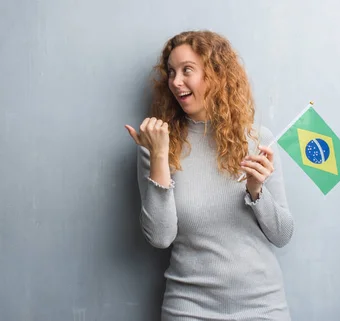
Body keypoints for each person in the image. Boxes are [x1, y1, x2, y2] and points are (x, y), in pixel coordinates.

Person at [124, 30, 295, 321]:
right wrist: (160, 157)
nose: (176, 81)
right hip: (188, 309)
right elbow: (161, 237)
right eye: (171, 72)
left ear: (215, 74)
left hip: (263, 308)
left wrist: (257, 191)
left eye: (187, 70)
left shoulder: (258, 140)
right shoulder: (157, 145)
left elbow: (282, 235)